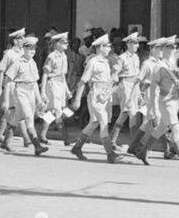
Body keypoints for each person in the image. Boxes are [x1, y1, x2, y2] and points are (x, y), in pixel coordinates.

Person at [129, 37, 179, 169]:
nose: (173, 49)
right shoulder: (159, 66)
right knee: (175, 128)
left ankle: (143, 152)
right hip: (165, 102)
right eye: (170, 47)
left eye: (174, 47)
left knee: (161, 129)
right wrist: (154, 108)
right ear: (163, 49)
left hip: (173, 101)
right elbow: (154, 88)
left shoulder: (173, 64)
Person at [70, 33, 120, 163]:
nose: (110, 48)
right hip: (96, 94)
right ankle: (110, 153)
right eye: (107, 46)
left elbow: (107, 80)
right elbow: (83, 81)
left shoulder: (106, 61)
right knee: (103, 121)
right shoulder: (93, 62)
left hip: (105, 94)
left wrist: (114, 77)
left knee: (94, 123)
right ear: (100, 47)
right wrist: (77, 99)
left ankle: (77, 147)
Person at [3, 35, 49, 155]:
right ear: (23, 49)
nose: (32, 51)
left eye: (34, 48)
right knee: (28, 117)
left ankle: (6, 142)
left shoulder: (33, 63)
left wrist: (39, 100)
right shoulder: (17, 63)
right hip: (20, 91)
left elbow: (34, 83)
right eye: (29, 48)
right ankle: (37, 146)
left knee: (17, 118)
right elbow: (7, 81)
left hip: (31, 93)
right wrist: (6, 101)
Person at [110, 32, 145, 147]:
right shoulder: (122, 58)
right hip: (125, 85)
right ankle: (136, 144)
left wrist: (139, 92)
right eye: (135, 43)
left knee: (124, 114)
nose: (137, 45)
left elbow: (137, 75)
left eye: (137, 43)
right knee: (132, 113)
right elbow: (115, 73)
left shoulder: (136, 57)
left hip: (134, 86)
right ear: (129, 44)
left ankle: (112, 140)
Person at [0, 28, 27, 147]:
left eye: (23, 37)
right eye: (21, 38)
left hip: (22, 85)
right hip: (11, 85)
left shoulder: (24, 52)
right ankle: (27, 138)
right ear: (15, 40)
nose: (23, 39)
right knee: (17, 110)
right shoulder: (9, 54)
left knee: (14, 111)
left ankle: (1, 134)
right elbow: (1, 71)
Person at [38, 32, 71, 146]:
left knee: (52, 111)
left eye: (66, 42)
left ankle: (42, 135)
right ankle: (65, 138)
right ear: (57, 44)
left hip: (61, 85)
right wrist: (43, 92)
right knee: (57, 111)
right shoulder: (51, 56)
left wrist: (66, 90)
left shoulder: (64, 56)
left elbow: (63, 76)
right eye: (63, 42)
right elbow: (45, 74)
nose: (66, 44)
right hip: (52, 84)